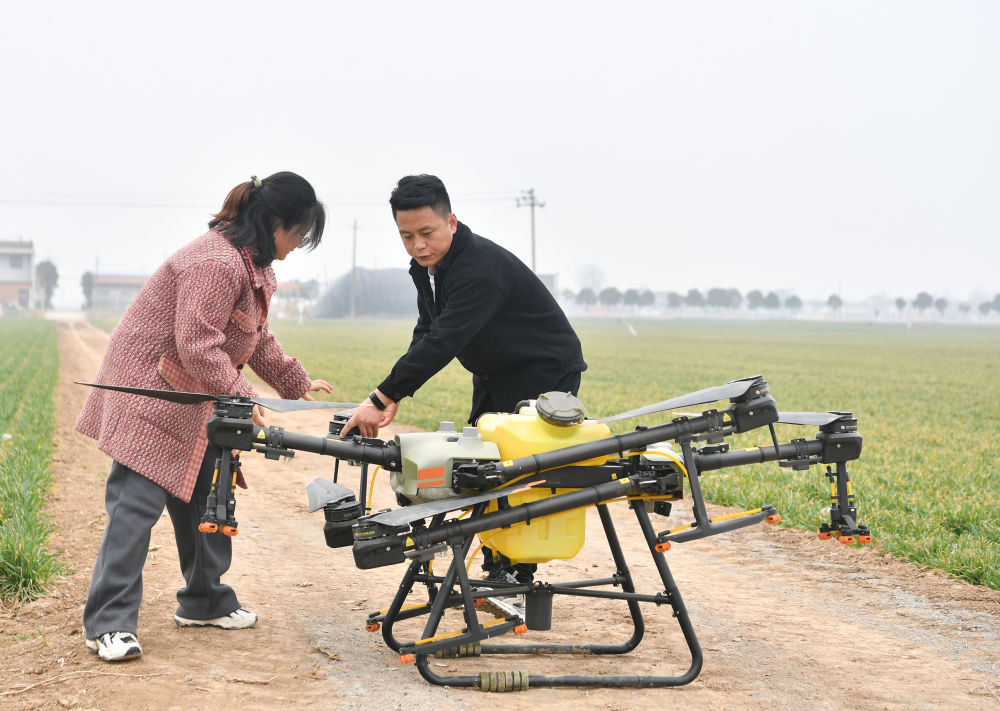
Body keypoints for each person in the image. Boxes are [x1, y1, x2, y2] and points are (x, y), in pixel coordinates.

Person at [75, 172, 332, 662]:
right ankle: (108, 623)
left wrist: (295, 383)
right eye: (299, 234)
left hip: (193, 396)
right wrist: (241, 394)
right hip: (151, 394)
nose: (298, 245)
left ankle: (205, 602)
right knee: (136, 507)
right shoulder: (215, 262)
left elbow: (254, 337)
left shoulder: (252, 265)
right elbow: (198, 343)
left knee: (206, 498)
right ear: (275, 223)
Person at [342, 174, 586, 587]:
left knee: (517, 473)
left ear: (451, 222)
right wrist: (394, 395)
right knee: (484, 469)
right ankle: (498, 566)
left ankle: (514, 576)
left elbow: (444, 341)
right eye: (406, 236)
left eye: (426, 233)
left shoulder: (479, 271)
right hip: (494, 372)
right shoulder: (429, 268)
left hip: (542, 373)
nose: (418, 245)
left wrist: (381, 396)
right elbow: (428, 328)